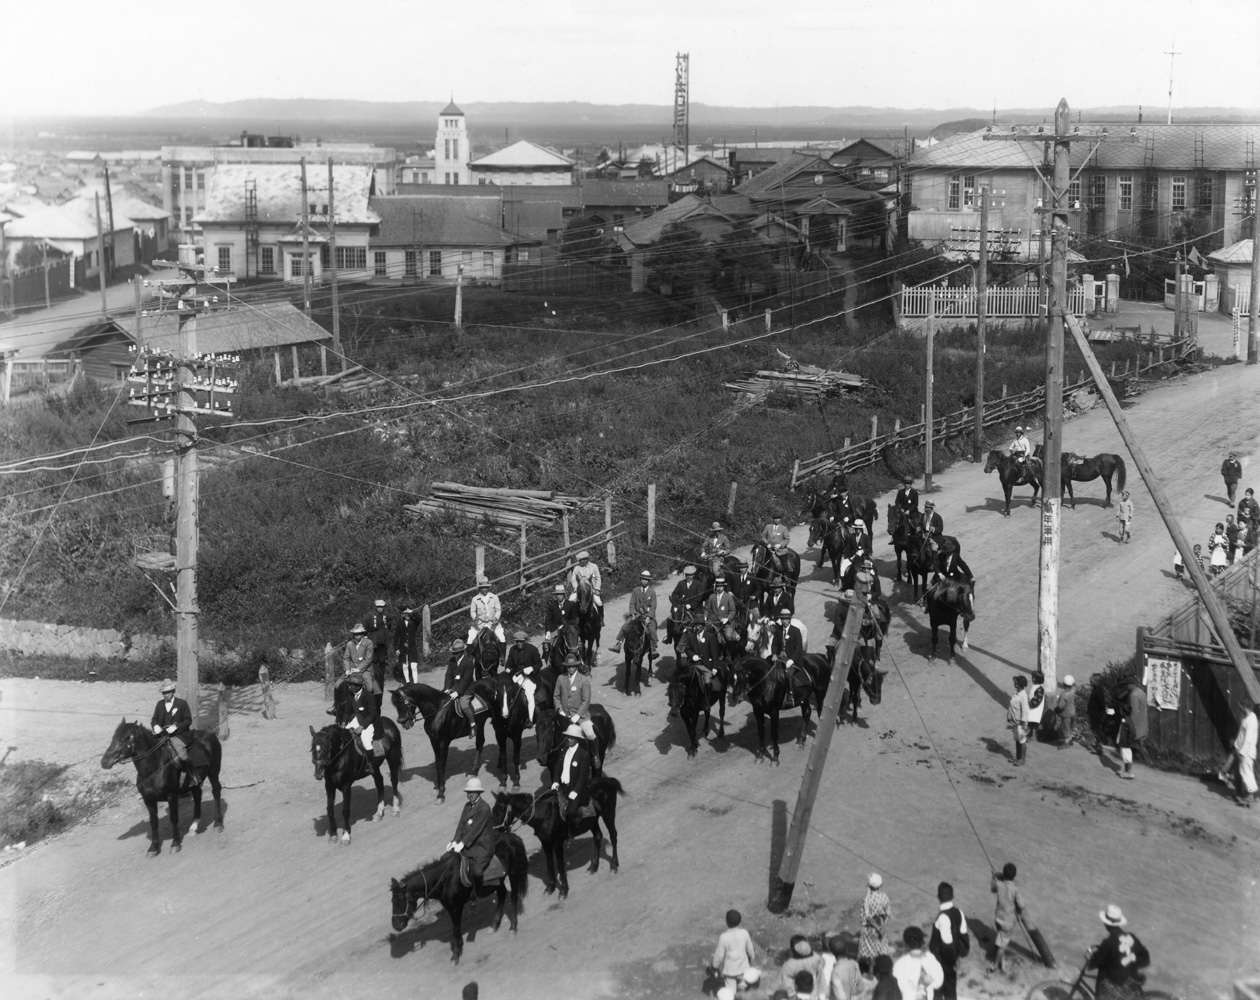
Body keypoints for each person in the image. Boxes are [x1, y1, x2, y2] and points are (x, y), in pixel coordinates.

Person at [1086, 905, 1150, 1000]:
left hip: (1113, 990)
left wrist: (1091, 960)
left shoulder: (1108, 942)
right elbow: (1145, 958)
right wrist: (1132, 961)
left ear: (1106, 924)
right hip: (1130, 986)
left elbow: (1096, 962)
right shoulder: (1132, 937)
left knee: (1103, 972)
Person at [447, 777, 497, 893]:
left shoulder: (484, 808)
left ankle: (478, 894)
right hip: (469, 843)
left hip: (482, 847)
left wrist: (462, 843)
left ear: (479, 792)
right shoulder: (467, 806)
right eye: (468, 792)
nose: (470, 795)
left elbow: (475, 830)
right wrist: (454, 841)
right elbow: (461, 825)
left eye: (473, 792)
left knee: (477, 872)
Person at [988, 862, 1033, 974]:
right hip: (1008, 921)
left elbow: (992, 888)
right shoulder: (1015, 889)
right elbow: (1022, 905)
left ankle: (1002, 961)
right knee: (1002, 946)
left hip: (998, 917)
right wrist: (1017, 910)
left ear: (1003, 873)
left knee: (1001, 940)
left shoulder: (999, 884)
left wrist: (994, 877)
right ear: (1015, 875)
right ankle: (995, 965)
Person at [928, 882, 968, 1000]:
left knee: (937, 990)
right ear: (952, 896)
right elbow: (964, 937)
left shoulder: (942, 918)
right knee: (951, 989)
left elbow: (947, 944)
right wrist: (958, 956)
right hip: (952, 959)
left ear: (938, 896)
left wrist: (952, 960)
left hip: (942, 960)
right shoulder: (959, 912)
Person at [553, 652, 597, 755]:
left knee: (590, 734)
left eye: (572, 666)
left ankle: (595, 756)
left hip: (580, 716)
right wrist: (560, 710)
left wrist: (577, 716)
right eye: (568, 667)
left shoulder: (583, 680)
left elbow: (586, 701)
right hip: (564, 715)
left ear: (576, 666)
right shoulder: (560, 678)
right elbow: (556, 696)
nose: (570, 669)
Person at [609, 569, 658, 660]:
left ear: (649, 581)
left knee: (652, 629)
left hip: (647, 616)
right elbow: (632, 604)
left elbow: (653, 606)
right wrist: (633, 614)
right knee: (626, 625)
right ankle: (619, 643)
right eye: (643, 579)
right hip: (637, 615)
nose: (644, 581)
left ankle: (653, 647)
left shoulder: (652, 592)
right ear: (640, 579)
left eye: (646, 580)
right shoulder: (636, 590)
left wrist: (649, 617)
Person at [550, 722, 593, 824]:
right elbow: (557, 769)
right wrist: (555, 781)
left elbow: (583, 776)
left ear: (577, 739)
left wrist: (576, 791)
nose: (568, 739)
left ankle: (570, 834)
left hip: (574, 789)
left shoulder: (583, 755)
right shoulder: (563, 751)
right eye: (567, 737)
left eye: (571, 737)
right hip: (562, 786)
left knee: (571, 812)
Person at [710, 908, 758, 998]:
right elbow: (750, 949)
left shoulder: (723, 937)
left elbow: (719, 955)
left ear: (726, 922)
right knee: (742, 987)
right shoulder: (744, 933)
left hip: (730, 971)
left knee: (730, 991)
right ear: (739, 922)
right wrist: (751, 959)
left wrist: (714, 966)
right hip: (743, 968)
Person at [151, 679, 194, 765]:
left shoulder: (182, 703)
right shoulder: (159, 704)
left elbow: (188, 720)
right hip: (162, 736)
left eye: (168, 692)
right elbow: (154, 719)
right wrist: (155, 726)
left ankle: (192, 773)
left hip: (179, 735)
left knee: (181, 754)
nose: (165, 695)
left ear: (173, 691)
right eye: (164, 693)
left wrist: (176, 726)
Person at [892, 927, 942, 1000]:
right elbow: (938, 981)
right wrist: (930, 986)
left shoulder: (900, 963)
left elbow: (898, 986)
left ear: (905, 944)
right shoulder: (930, 958)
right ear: (922, 942)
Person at [341, 672, 384, 756]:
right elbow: (347, 711)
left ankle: (369, 764)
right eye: (349, 684)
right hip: (353, 720)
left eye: (352, 685)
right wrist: (343, 723)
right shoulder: (350, 695)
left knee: (366, 742)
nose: (349, 687)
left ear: (358, 686)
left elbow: (372, 714)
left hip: (366, 722)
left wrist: (362, 727)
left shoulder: (368, 696)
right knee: (342, 737)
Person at [1115, 672, 1148, 780]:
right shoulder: (1141, 692)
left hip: (1134, 725)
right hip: (1142, 723)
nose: (1127, 687)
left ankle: (1130, 769)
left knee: (1129, 748)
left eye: (1128, 685)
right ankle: (1128, 769)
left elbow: (1133, 713)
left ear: (1130, 685)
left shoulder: (1133, 696)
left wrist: (1129, 728)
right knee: (1135, 747)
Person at [1225, 699, 1258, 806]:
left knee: (1246, 772)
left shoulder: (1251, 721)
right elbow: (1241, 735)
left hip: (1246, 752)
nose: (1239, 709)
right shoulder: (1245, 718)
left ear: (1245, 707)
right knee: (1238, 773)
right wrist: (1236, 745)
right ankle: (1238, 792)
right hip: (1239, 749)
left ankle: (1250, 795)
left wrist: (1242, 753)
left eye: (1240, 707)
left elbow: (1248, 739)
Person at [504, 630, 542, 724]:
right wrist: (508, 668)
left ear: (525, 641)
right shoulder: (513, 649)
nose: (519, 643)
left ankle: (530, 718)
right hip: (516, 674)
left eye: (521, 641)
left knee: (529, 694)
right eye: (517, 641)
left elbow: (539, 663)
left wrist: (531, 668)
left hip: (529, 677)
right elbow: (509, 662)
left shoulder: (532, 649)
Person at [858, 873, 892, 973]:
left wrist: (877, 927)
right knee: (881, 949)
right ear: (880, 885)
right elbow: (887, 913)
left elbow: (868, 918)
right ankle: (883, 970)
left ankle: (871, 972)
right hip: (881, 925)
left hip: (871, 928)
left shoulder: (867, 899)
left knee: (870, 952)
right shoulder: (884, 897)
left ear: (869, 885)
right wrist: (883, 927)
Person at [444, 638, 478, 733]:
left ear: (462, 652)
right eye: (454, 653)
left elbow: (465, 680)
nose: (455, 655)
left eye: (457, 653)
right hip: (453, 687)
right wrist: (447, 688)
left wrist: (457, 692)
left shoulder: (469, 663)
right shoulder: (452, 661)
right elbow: (448, 675)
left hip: (466, 689)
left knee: (464, 706)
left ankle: (473, 724)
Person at [668, 565, 707, 643]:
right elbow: (674, 594)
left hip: (695, 609)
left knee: (700, 622)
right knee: (670, 619)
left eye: (690, 575)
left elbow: (699, 597)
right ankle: (669, 637)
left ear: (694, 575)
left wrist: (691, 605)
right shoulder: (681, 583)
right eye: (687, 575)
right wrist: (678, 602)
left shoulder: (698, 584)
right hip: (682, 607)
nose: (688, 576)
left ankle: (702, 640)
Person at [826, 933, 871, 1000]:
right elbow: (860, 988)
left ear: (831, 952)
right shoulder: (854, 964)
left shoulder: (836, 972)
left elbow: (840, 997)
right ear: (847, 949)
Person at [468, 576, 506, 649]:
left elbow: (498, 610)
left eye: (486, 587)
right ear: (479, 588)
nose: (484, 589)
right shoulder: (475, 599)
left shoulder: (494, 597)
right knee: (470, 639)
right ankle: (470, 658)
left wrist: (496, 618)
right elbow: (472, 611)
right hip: (479, 624)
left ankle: (502, 658)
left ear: (488, 587)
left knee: (502, 638)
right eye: (482, 587)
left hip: (493, 624)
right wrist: (475, 618)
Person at [567, 550, 604, 624]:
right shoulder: (577, 568)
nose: (580, 562)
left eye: (581, 560)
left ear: (586, 560)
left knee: (599, 602)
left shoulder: (593, 566)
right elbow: (573, 580)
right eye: (579, 561)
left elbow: (598, 578)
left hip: (591, 590)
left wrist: (597, 589)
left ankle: (601, 618)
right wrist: (577, 588)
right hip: (580, 590)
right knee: (570, 600)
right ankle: (570, 619)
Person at [706, 575, 739, 646]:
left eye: (721, 586)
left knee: (728, 636)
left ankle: (735, 634)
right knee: (706, 635)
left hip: (726, 622)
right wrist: (705, 617)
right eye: (717, 586)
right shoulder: (712, 597)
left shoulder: (728, 597)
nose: (719, 588)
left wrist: (727, 618)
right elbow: (707, 609)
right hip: (714, 621)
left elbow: (733, 610)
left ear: (724, 587)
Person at [394, 607, 421, 684]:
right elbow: (396, 636)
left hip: (412, 647)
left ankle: (415, 683)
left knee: (414, 666)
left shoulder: (414, 622)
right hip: (402, 648)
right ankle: (407, 682)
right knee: (405, 666)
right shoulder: (400, 623)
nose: (407, 616)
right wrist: (396, 648)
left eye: (409, 614)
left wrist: (413, 612)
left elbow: (419, 618)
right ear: (403, 615)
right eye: (406, 614)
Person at [368, 598, 392, 683]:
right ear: (375, 607)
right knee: (374, 660)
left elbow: (392, 619)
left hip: (383, 643)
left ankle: (381, 676)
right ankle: (374, 676)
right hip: (374, 643)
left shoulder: (386, 616)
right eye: (378, 607)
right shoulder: (371, 616)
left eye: (381, 607)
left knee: (382, 661)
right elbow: (367, 627)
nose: (380, 608)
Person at [1008, 675, 1030, 766]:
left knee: (1022, 740)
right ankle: (1018, 757)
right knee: (1017, 739)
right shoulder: (1016, 693)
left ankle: (1022, 759)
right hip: (1015, 721)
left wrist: (1024, 723)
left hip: (1021, 722)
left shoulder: (1023, 696)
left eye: (1016, 682)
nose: (1014, 683)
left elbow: (1025, 710)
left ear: (1019, 684)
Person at [1051, 675, 1078, 747]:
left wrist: (1056, 709)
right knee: (1070, 728)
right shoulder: (1073, 691)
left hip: (1066, 714)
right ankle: (1070, 740)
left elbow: (1061, 706)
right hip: (1072, 712)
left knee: (1065, 728)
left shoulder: (1064, 695)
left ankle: (1066, 743)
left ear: (1063, 684)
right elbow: (1074, 686)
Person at [543, 582, 567, 657]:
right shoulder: (552, 605)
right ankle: (549, 661)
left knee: (578, 643)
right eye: (557, 595)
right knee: (546, 644)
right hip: (555, 630)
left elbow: (573, 618)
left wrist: (565, 625)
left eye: (561, 594)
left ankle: (582, 661)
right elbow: (548, 619)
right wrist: (548, 631)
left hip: (567, 628)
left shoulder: (570, 604)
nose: (559, 596)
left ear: (564, 595)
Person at [1026, 670, 1047, 739]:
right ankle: (1030, 734)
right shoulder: (1035, 686)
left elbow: (1038, 698)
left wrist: (1031, 703)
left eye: (1033, 677)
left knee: (1034, 722)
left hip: (1036, 708)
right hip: (1032, 707)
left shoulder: (1040, 689)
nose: (1032, 679)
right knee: (1030, 721)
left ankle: (1033, 735)